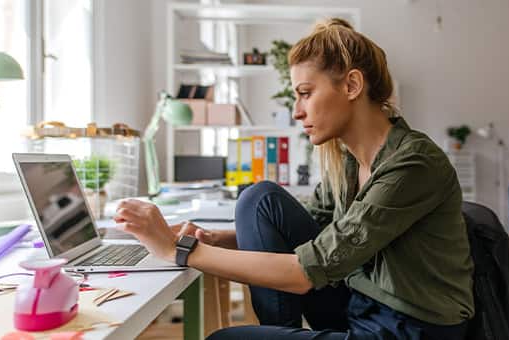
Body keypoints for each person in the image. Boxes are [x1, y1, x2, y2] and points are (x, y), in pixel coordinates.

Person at [114, 18, 474, 340]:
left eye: (305, 94)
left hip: (407, 329)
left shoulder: (412, 164)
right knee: (259, 201)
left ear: (351, 85)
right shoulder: (350, 163)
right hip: (361, 306)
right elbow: (318, 230)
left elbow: (308, 268)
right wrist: (218, 240)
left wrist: (177, 251)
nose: (297, 111)